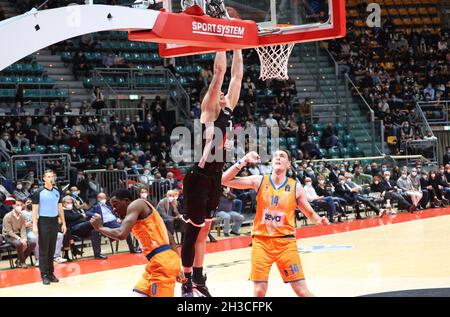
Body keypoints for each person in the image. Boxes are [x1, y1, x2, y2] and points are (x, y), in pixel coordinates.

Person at [222, 150, 329, 297]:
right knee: (259, 291)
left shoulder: (295, 187)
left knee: (302, 291)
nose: (278, 157)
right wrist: (245, 160)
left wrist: (319, 220)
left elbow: (310, 213)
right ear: (272, 162)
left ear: (288, 164)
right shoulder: (259, 181)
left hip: (285, 243)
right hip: (261, 242)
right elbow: (224, 180)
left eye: (282, 156)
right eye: (275, 156)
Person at [181, 49, 243, 297]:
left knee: (204, 231)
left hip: (215, 179)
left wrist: (237, 46)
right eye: (218, 93)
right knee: (193, 230)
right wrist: (221, 43)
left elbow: (237, 77)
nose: (222, 95)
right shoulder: (209, 110)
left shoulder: (228, 108)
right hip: (199, 177)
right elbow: (221, 73)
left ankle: (198, 277)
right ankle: (185, 281)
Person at [90, 189, 184, 297]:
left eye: (115, 205)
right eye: (112, 207)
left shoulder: (136, 204)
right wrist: (177, 265)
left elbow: (121, 234)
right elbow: (170, 237)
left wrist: (100, 227)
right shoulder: (146, 215)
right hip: (158, 262)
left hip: (162, 263)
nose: (114, 209)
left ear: (126, 201)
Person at [32, 170, 67, 285]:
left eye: (52, 176)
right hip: (43, 221)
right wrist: (35, 225)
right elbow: (34, 210)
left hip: (54, 221)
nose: (50, 178)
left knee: (52, 249)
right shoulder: (39, 192)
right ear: (43, 178)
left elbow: (60, 208)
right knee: (44, 250)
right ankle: (44, 275)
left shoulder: (57, 191)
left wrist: (64, 223)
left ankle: (51, 273)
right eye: (48, 176)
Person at [20, 199, 66, 265]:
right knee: (35, 238)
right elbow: (21, 226)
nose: (30, 204)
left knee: (59, 235)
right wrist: (30, 223)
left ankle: (56, 256)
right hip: (29, 231)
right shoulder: (21, 213)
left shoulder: (37, 211)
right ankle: (38, 259)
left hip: (41, 230)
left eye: (31, 202)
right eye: (28, 202)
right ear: (24, 204)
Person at [62, 196, 107, 260]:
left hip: (84, 227)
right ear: (63, 203)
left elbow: (82, 216)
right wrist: (80, 215)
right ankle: (103, 229)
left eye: (71, 202)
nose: (69, 204)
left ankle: (97, 254)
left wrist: (80, 216)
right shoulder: (62, 211)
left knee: (95, 231)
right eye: (68, 202)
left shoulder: (73, 209)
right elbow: (71, 218)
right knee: (92, 222)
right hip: (74, 229)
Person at [2, 201, 36, 268]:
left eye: (21, 205)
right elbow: (9, 231)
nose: (19, 206)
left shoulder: (22, 216)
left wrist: (24, 239)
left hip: (19, 234)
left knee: (33, 243)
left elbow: (23, 229)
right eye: (17, 205)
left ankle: (19, 261)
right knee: (19, 243)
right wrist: (20, 239)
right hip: (9, 236)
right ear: (13, 206)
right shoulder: (7, 216)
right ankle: (23, 262)